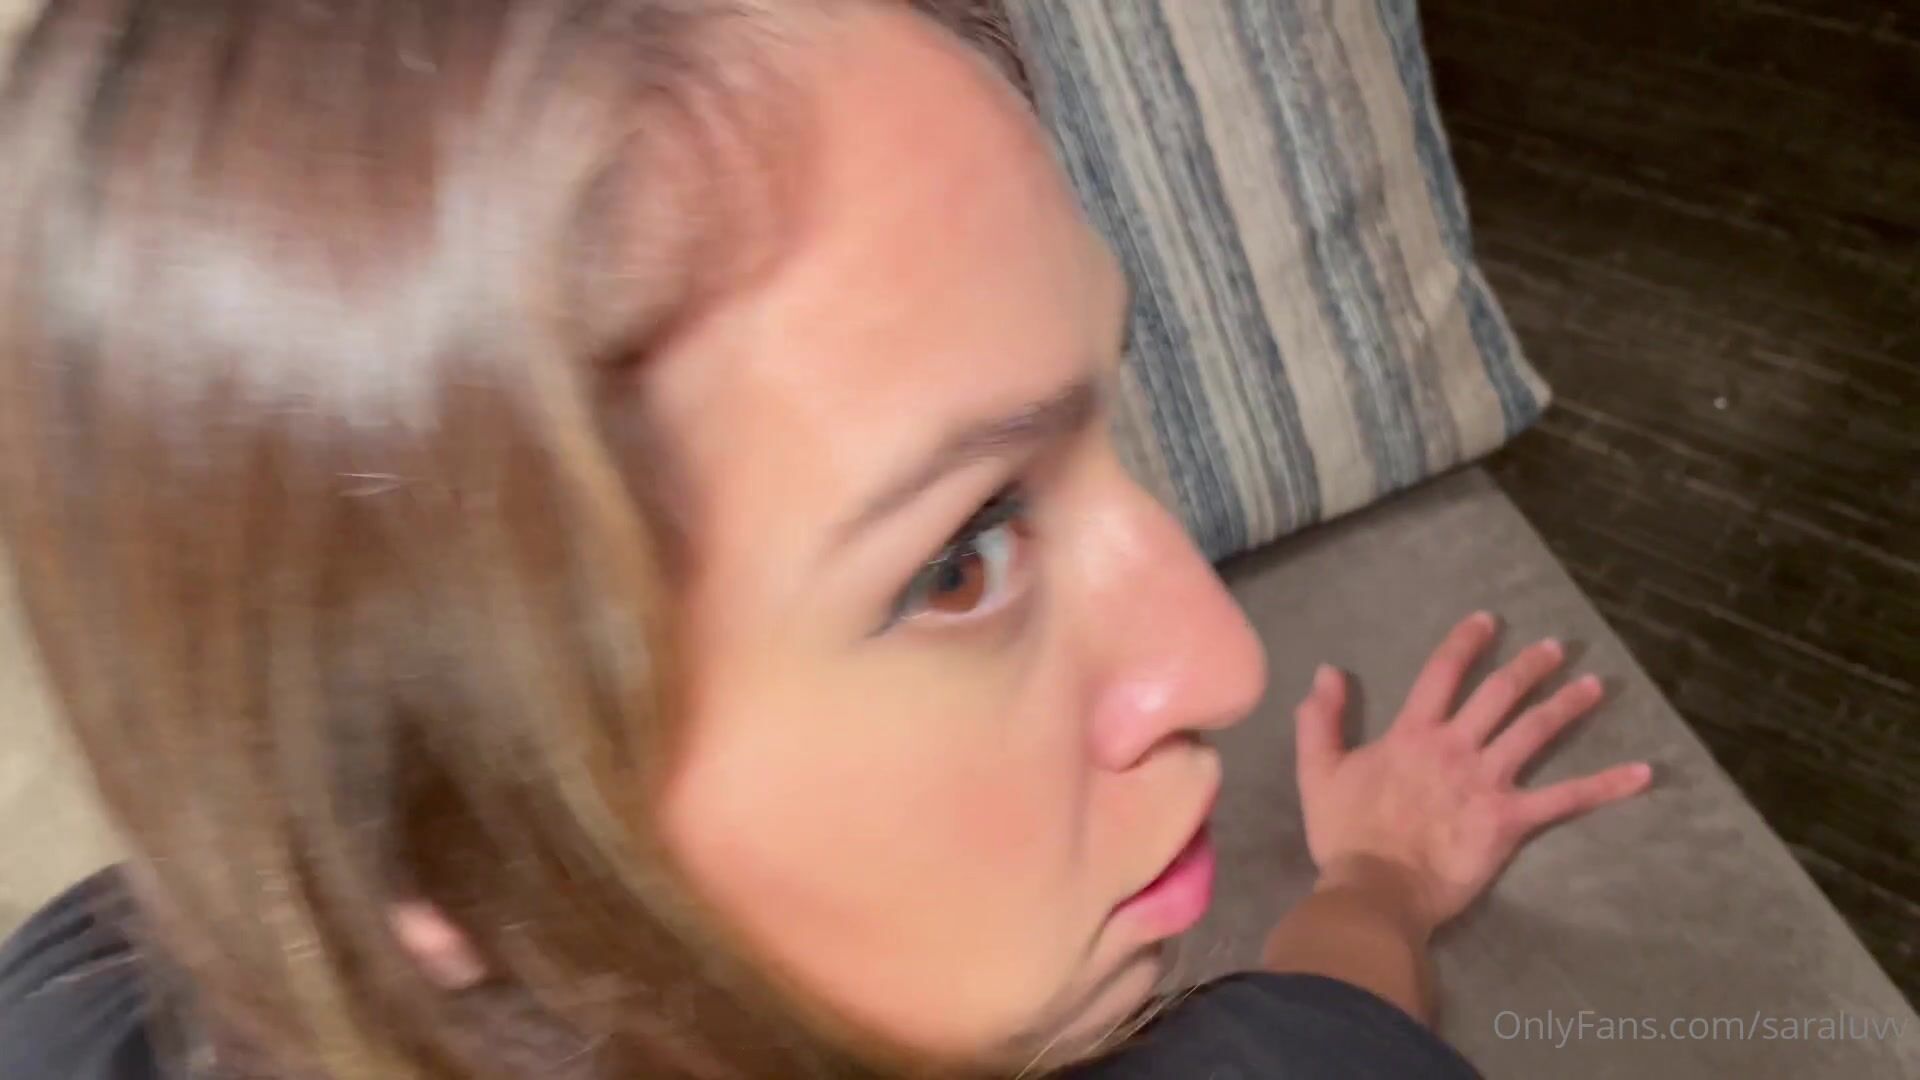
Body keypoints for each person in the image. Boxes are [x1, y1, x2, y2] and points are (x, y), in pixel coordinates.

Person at [0, 1, 1653, 1076]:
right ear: (429, 855)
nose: (1218, 661)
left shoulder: (81, 993)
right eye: (958, 563)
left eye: (1103, 407)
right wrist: (1375, 882)